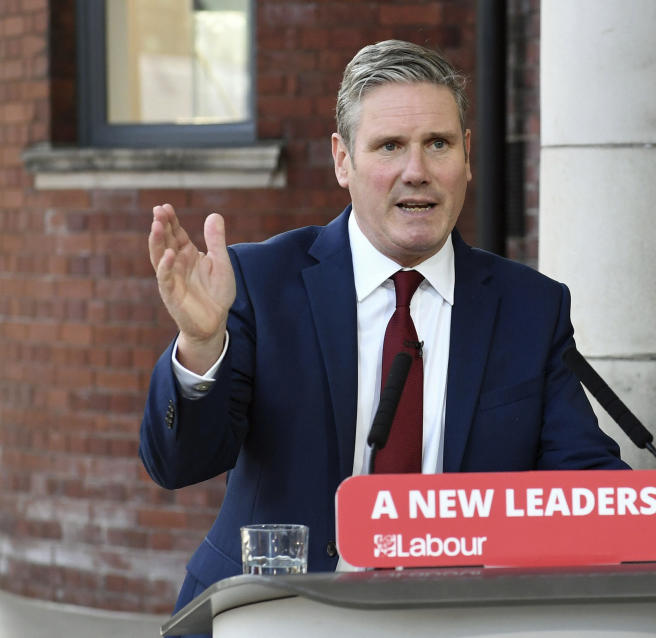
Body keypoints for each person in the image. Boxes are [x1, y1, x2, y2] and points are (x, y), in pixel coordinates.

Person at [140, 39, 628, 620]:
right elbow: (178, 465)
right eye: (390, 146)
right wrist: (199, 346)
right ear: (343, 160)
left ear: (468, 156)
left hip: (462, 621)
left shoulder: (529, 307)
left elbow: (588, 490)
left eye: (438, 144)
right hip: (276, 613)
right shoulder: (263, 283)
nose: (415, 172)